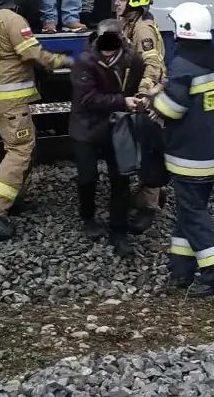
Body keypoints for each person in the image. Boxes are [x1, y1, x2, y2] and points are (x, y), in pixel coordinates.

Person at [0, 0, 71, 240]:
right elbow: (35, 55)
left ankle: (12, 197)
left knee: (18, 148)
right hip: (10, 98)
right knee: (20, 151)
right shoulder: (13, 20)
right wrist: (66, 60)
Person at [148, 2, 214, 297]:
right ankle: (181, 270)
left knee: (194, 215)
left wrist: (153, 96)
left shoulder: (184, 65)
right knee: (188, 212)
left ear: (181, 31)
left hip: (190, 159)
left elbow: (171, 110)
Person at [69, 19, 145, 256]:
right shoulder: (84, 62)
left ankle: (118, 230)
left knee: (121, 180)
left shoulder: (132, 60)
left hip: (117, 129)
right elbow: (87, 100)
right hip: (87, 128)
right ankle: (88, 217)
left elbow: (139, 84)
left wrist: (144, 96)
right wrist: (123, 101)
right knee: (87, 177)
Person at [112, 0, 169, 235]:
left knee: (148, 151)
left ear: (134, 1)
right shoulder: (129, 24)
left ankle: (149, 206)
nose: (117, 3)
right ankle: (153, 193)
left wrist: (143, 94)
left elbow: (153, 64)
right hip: (137, 94)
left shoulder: (143, 29)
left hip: (148, 97)